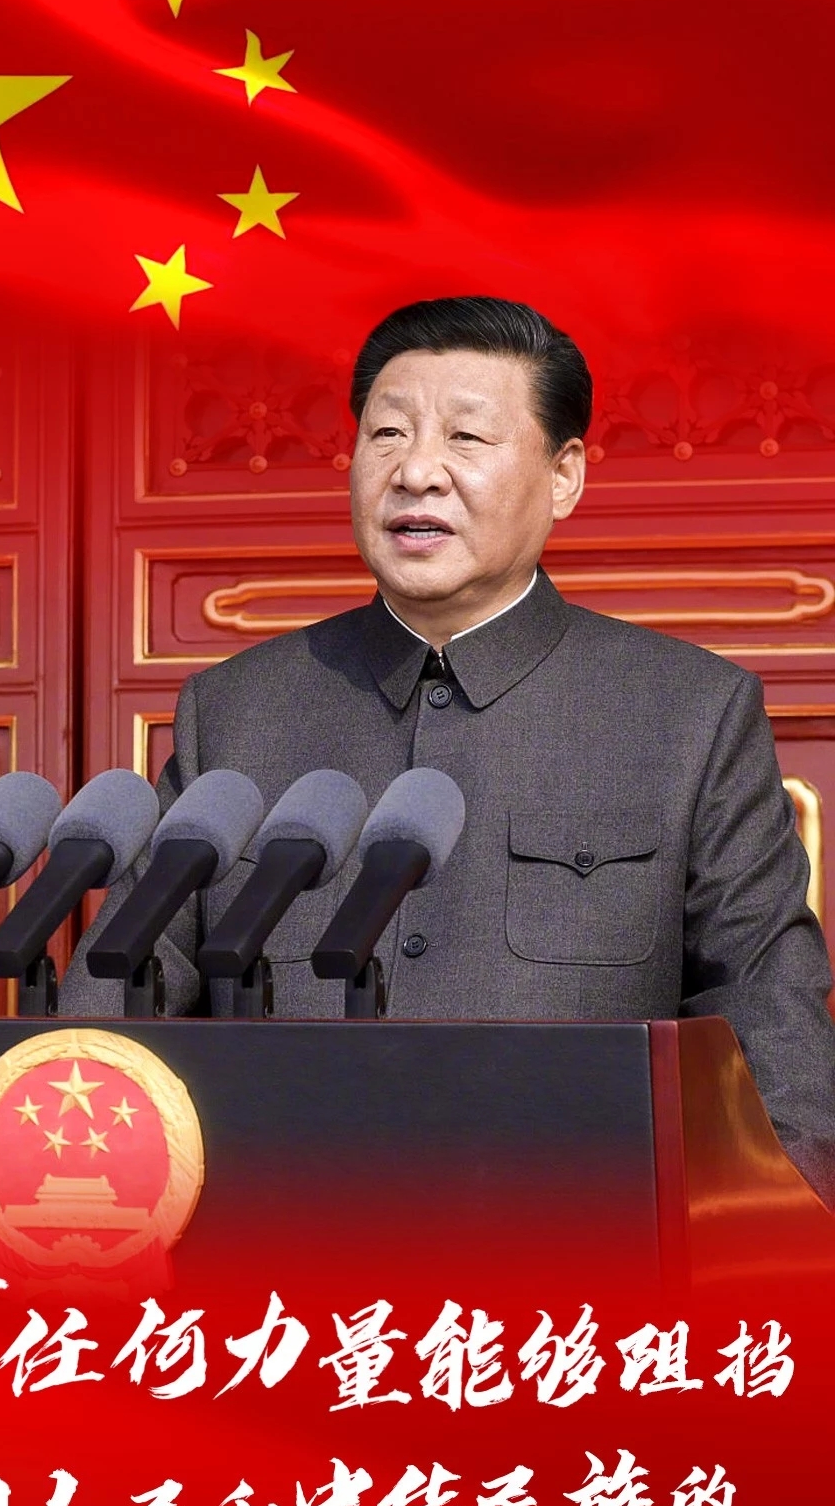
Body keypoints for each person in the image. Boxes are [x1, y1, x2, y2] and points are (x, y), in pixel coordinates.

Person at [62, 295, 835, 1202]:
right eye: (386, 434)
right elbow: (117, 1001)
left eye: (465, 437)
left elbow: (766, 1020)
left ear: (564, 477)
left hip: (578, 1248)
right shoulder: (238, 710)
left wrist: (781, 1238)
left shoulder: (687, 713)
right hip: (279, 1239)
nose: (416, 472)